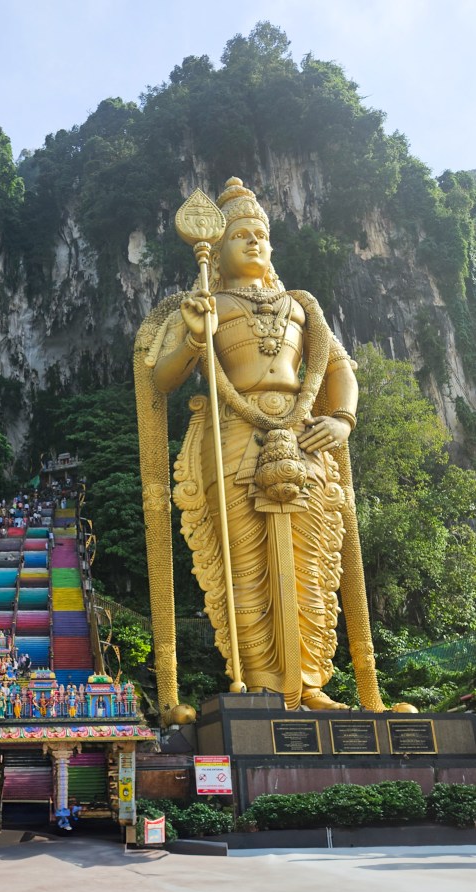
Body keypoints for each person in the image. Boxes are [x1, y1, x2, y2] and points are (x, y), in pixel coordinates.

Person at [136, 177, 384, 716]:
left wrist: (341, 419)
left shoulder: (301, 306)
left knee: (312, 560)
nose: (252, 242)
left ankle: (313, 684)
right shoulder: (206, 304)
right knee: (242, 565)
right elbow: (160, 378)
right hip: (232, 436)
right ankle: (262, 687)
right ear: (218, 250)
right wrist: (197, 336)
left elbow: (339, 368)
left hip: (303, 435)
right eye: (240, 235)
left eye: (260, 234)